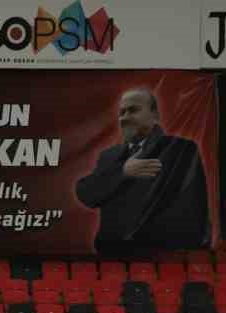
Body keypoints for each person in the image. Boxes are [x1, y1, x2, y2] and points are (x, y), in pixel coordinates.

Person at [73, 87, 210, 255]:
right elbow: (87, 194)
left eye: (133, 110)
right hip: (112, 254)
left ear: (155, 116)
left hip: (161, 256)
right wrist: (123, 172)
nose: (125, 117)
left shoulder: (180, 149)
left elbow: (193, 206)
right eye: (122, 113)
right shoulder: (108, 156)